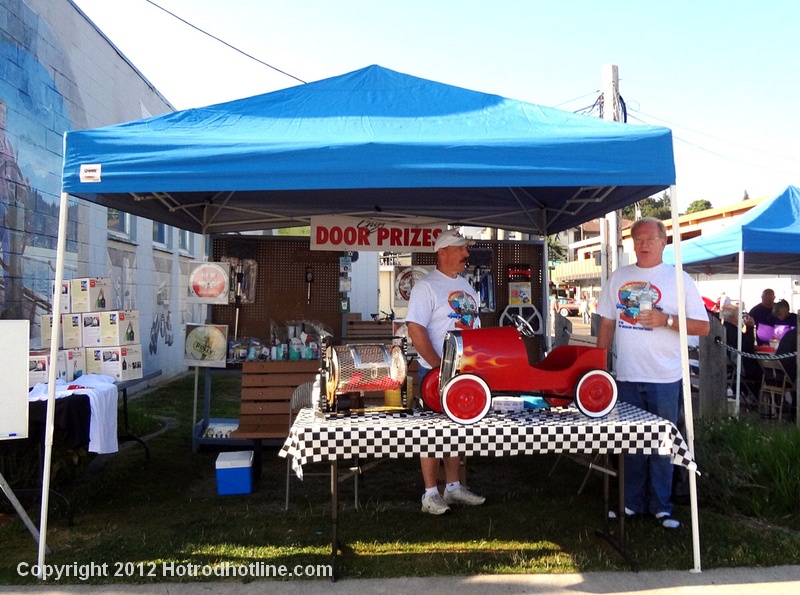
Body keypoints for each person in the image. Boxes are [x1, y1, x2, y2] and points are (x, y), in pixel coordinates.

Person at [596, 217, 710, 529]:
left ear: (663, 242)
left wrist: (667, 321)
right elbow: (606, 321)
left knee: (662, 444)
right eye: (638, 239)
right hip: (627, 375)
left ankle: (661, 507)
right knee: (631, 444)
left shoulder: (679, 279)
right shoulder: (619, 276)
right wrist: (598, 363)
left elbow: (703, 326)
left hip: (665, 377)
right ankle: (632, 502)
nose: (644, 244)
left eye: (650, 239)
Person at [406, 228, 486, 515]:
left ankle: (453, 487)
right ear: (443, 252)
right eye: (461, 249)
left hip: (464, 372)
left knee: (457, 431)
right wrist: (438, 365)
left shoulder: (467, 286)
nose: (467, 254)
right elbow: (414, 327)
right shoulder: (425, 286)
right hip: (435, 373)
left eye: (466, 249)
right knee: (431, 432)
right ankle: (430, 493)